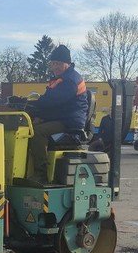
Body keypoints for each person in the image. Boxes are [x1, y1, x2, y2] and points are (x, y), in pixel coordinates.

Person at [21, 45, 88, 182]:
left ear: (67, 63)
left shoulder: (70, 81)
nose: (55, 67)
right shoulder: (60, 79)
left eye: (58, 63)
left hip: (70, 121)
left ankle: (41, 173)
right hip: (61, 117)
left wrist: (35, 109)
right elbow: (49, 101)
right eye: (53, 64)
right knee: (28, 127)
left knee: (37, 132)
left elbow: (53, 102)